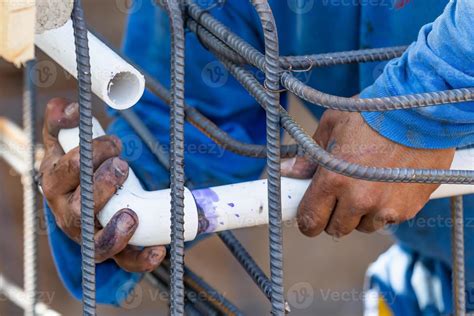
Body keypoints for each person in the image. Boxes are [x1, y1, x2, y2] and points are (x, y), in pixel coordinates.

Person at [39, 0, 474, 313]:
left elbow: (409, 115)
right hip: (439, 283)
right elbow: (197, 114)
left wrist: (416, 109)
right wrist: (112, 195)